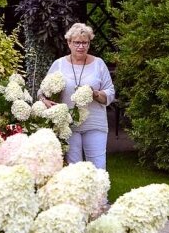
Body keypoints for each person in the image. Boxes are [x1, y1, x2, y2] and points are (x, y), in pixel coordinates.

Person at [40, 23, 115, 169]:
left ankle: (100, 192)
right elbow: (42, 90)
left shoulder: (99, 64)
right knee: (74, 167)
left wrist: (96, 94)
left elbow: (110, 91)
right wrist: (45, 101)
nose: (81, 46)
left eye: (85, 43)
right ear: (69, 43)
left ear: (89, 43)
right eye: (77, 43)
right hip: (68, 124)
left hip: (95, 123)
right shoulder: (59, 64)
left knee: (98, 166)